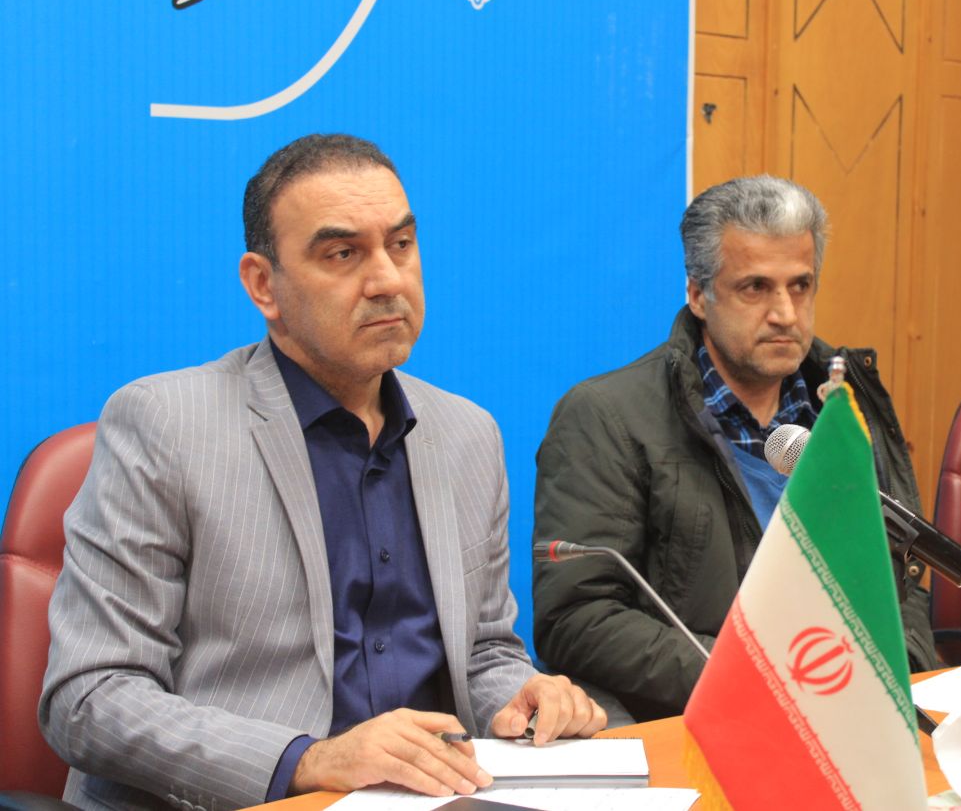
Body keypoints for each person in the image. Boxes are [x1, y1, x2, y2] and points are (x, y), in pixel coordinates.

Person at [39, 134, 605, 811]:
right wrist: (308, 760)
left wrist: (521, 696)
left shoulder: (467, 433)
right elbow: (91, 696)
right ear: (264, 284)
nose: (388, 280)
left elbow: (483, 652)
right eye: (343, 254)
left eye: (401, 245)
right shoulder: (164, 424)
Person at [532, 175, 939, 722]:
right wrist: (759, 681)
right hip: (702, 721)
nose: (785, 314)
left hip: (851, 718)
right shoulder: (606, 417)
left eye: (800, 286)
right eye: (755, 288)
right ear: (698, 295)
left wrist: (898, 671)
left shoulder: (848, 410)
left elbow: (902, 582)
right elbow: (577, 618)